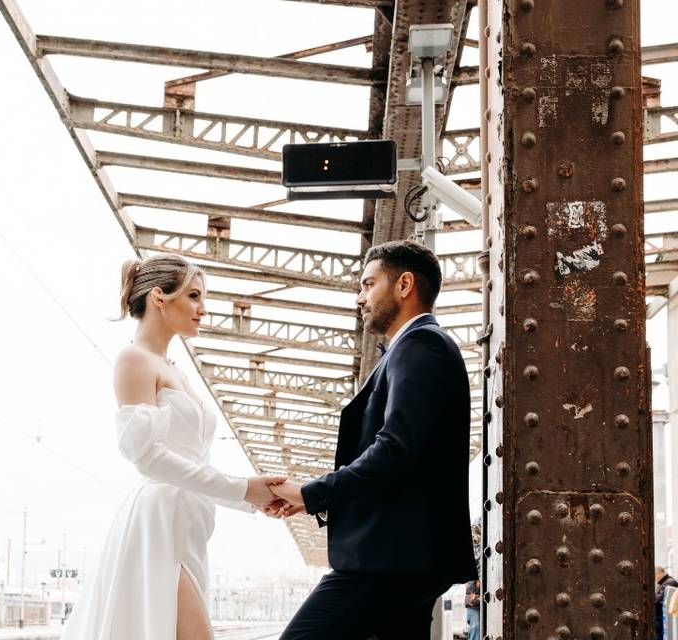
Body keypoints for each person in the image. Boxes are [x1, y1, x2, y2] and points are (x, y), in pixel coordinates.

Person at [60, 254, 287, 640]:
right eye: (195, 296)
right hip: (159, 523)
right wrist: (243, 490)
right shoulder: (134, 359)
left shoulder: (175, 369)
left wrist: (249, 497)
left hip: (189, 525)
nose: (203, 309)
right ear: (159, 298)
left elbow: (193, 461)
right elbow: (147, 459)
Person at [268, 240, 478, 639]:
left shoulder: (421, 347)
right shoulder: (414, 350)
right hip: (406, 557)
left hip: (391, 559)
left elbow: (394, 449)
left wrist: (312, 493)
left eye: (367, 284)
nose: (360, 298)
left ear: (404, 285)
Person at [656, 566, 678, 640]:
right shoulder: (665, 582)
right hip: (663, 616)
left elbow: (659, 598)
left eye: (655, 575)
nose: (655, 578)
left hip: (664, 616)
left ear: (660, 573)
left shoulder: (669, 582)